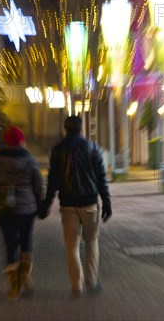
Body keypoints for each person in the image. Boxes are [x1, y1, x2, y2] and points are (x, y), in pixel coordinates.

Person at [38, 116, 112, 297]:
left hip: (68, 205)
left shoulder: (57, 151)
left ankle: (76, 285)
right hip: (89, 204)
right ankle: (91, 283)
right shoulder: (93, 148)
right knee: (92, 242)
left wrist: (45, 205)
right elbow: (101, 178)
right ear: (81, 129)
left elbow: (53, 181)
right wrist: (107, 202)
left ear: (65, 129)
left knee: (72, 246)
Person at [0, 126, 43, 300]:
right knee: (26, 242)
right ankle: (24, 277)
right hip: (27, 208)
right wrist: (39, 203)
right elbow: (37, 184)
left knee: (10, 245)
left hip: (4, 209)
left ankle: (14, 285)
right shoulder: (29, 159)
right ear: (22, 141)